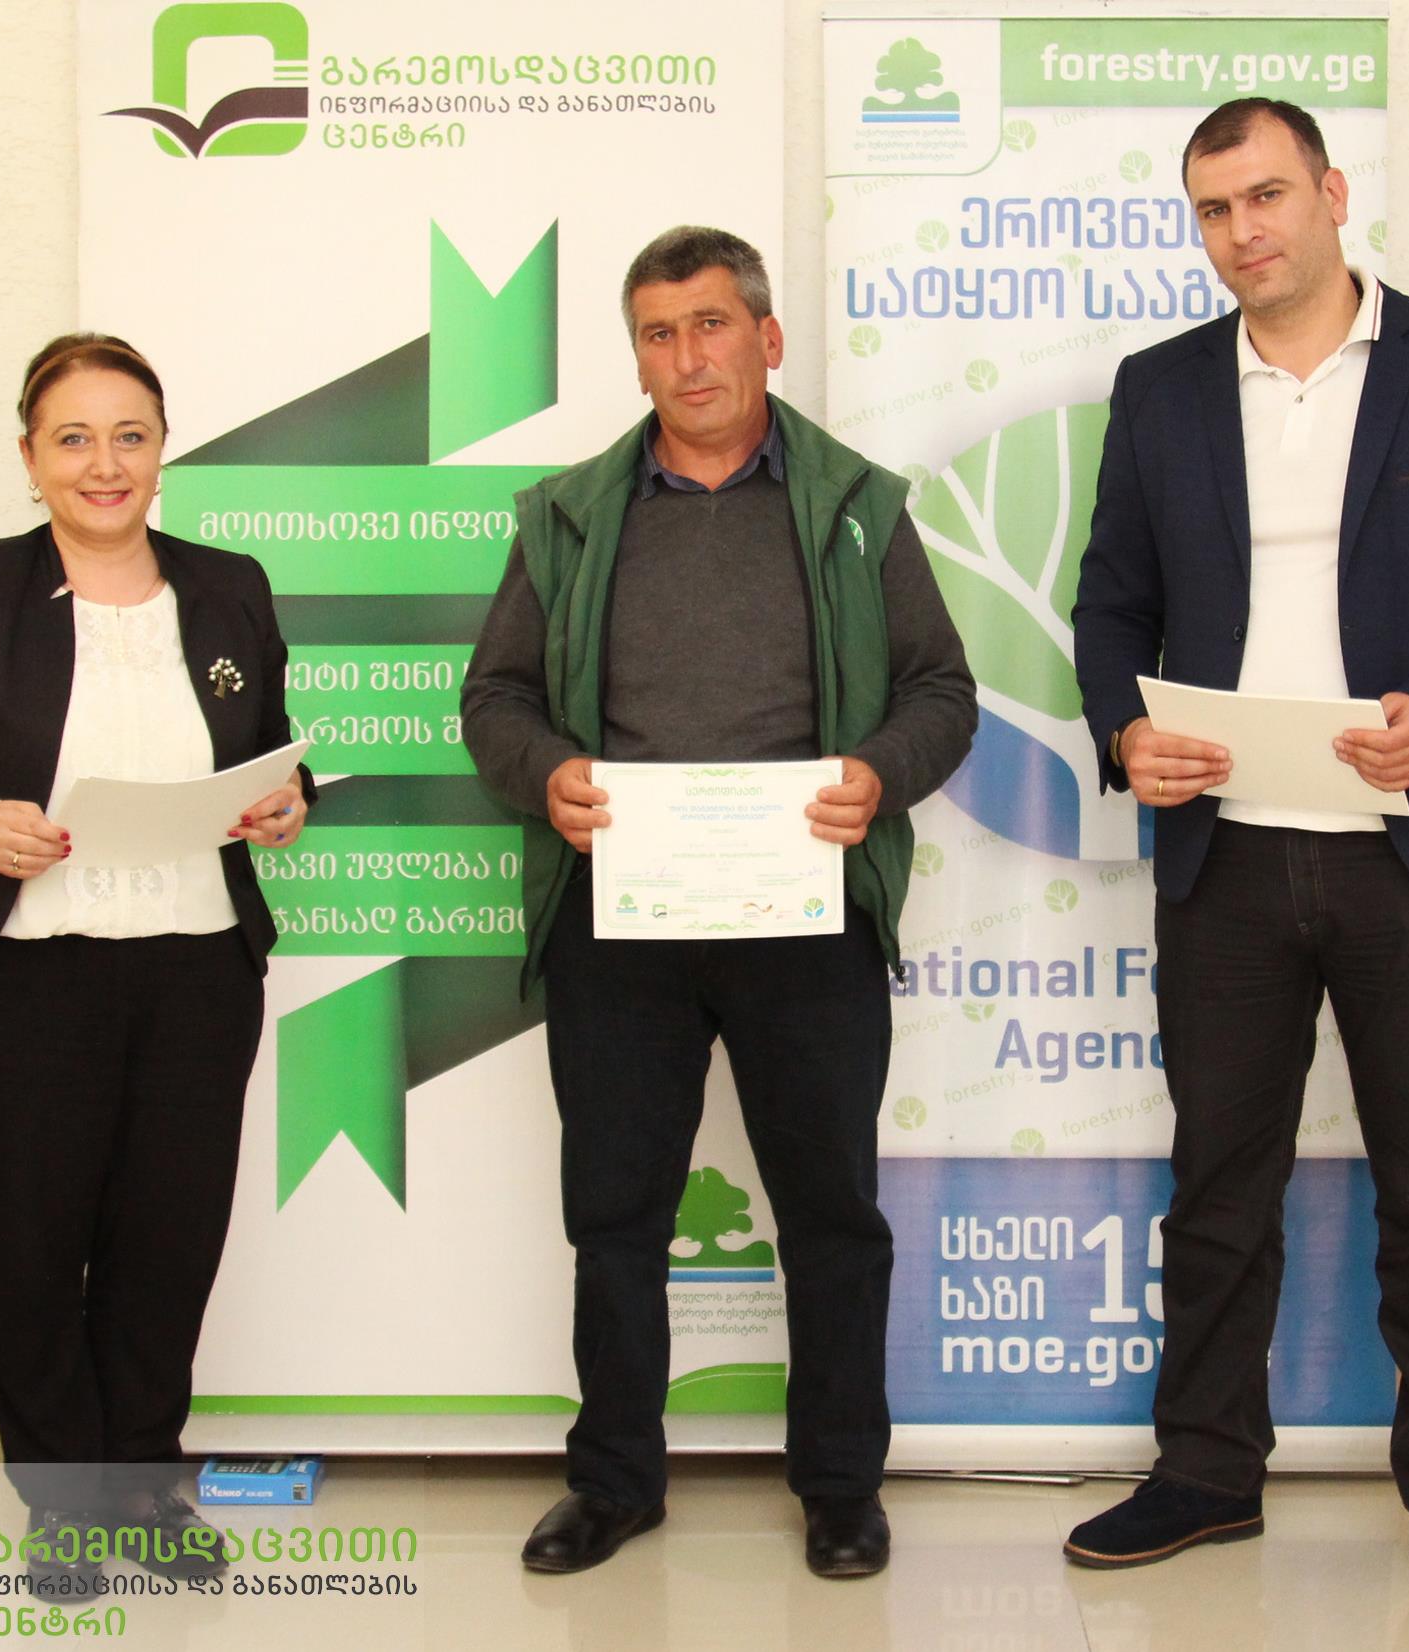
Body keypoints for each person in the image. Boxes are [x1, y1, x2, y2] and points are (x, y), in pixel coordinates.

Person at [1067, 100, 1409, 1622]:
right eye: (1213, 208)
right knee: (1218, 1183)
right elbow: (1112, 603)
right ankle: (1206, 1471)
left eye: (1268, 194)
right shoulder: (1160, 388)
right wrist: (1123, 731)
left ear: (1332, 192)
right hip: (1225, 856)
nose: (1244, 231)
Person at [461, 226, 978, 1579]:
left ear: (765, 336)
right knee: (614, 1215)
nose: (686, 357)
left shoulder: (856, 505)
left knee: (832, 1215)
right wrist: (546, 773)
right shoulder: (568, 514)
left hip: (806, 917)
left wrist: (878, 773)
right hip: (620, 922)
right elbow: (495, 698)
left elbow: (941, 690)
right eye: (657, 333)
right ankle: (614, 1481)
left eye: (709, 324)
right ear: (635, 356)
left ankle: (841, 1486)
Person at [0, 333, 311, 1587]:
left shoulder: (228, 586)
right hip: (19, 975)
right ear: (30, 456)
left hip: (195, 970)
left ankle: (142, 1483)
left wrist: (288, 801)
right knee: (29, 1245)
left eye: (130, 435)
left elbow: (271, 745)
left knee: (168, 1242)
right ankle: (63, 1504)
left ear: (163, 451)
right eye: (73, 437)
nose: (104, 462)